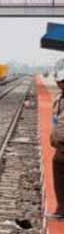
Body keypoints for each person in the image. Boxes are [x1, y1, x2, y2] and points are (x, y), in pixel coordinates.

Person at [50, 71, 63, 217]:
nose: (59, 85)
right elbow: (57, 120)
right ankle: (61, 209)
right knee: (59, 176)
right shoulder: (59, 98)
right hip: (60, 144)